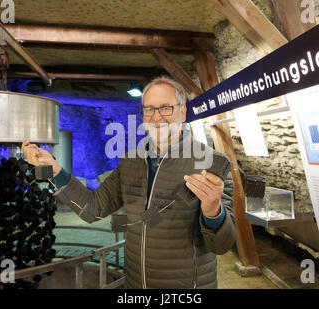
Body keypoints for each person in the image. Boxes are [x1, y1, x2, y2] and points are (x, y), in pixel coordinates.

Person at [21, 76, 236, 289]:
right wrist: (53, 169)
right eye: (149, 109)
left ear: (182, 112)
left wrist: (213, 212)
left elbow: (222, 245)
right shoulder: (130, 162)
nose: (156, 117)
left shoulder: (213, 164)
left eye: (166, 108)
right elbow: (92, 209)